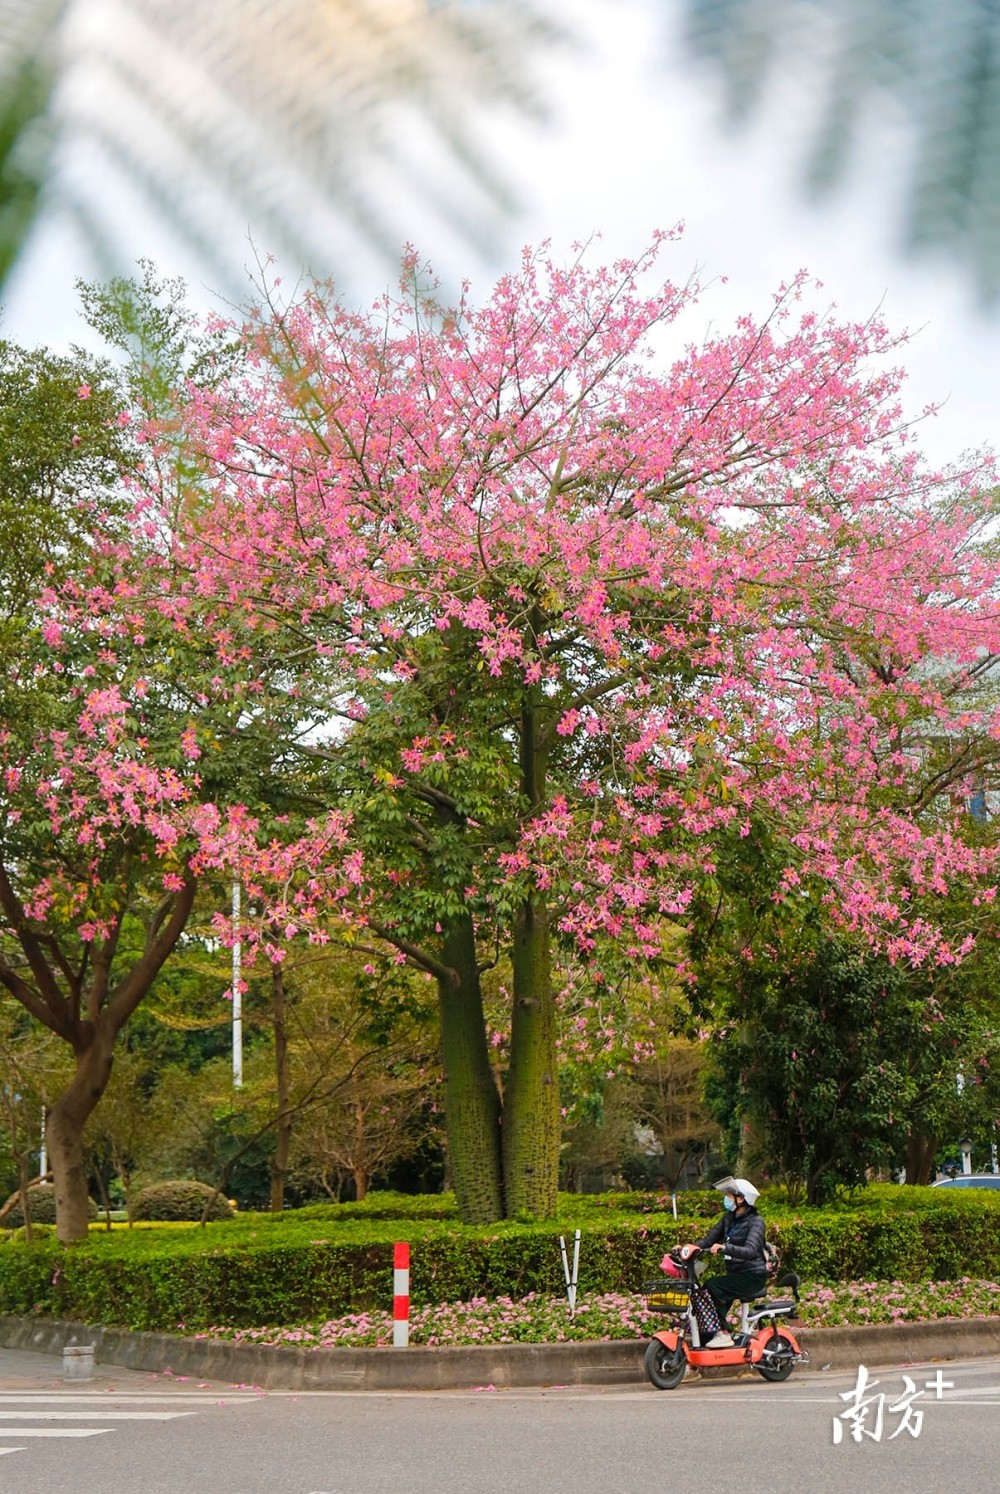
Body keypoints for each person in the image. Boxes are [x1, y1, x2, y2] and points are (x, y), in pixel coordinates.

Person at [691, 1176, 767, 1348]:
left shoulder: (756, 1222)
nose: (726, 1199)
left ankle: (723, 1333)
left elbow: (751, 1251)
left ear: (741, 1199)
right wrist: (689, 1248)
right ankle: (716, 1334)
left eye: (730, 1195)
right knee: (704, 1295)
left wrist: (726, 1248)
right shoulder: (728, 1218)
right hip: (736, 1275)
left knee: (713, 1286)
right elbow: (709, 1239)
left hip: (753, 1275)